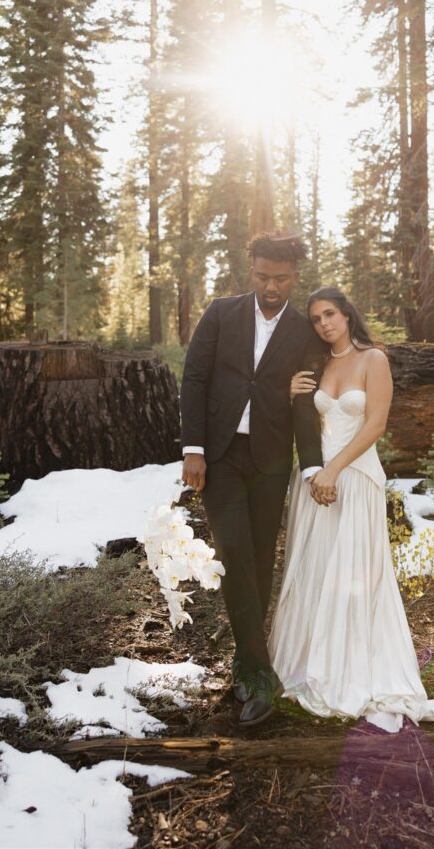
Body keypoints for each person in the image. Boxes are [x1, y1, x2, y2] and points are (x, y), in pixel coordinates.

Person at [269, 287, 434, 732]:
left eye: (330, 314)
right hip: (314, 480)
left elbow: (376, 424)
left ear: (347, 314)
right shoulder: (317, 364)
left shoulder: (373, 360)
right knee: (315, 569)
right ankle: (309, 665)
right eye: (315, 318)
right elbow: (303, 423)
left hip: (356, 476)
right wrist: (289, 397)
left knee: (355, 574)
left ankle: (357, 670)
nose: (323, 323)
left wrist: (335, 471)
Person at [180, 234, 328, 727]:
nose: (271, 286)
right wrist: (193, 449)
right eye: (263, 276)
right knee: (234, 554)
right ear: (252, 269)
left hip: (269, 459)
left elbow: (307, 398)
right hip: (219, 457)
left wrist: (311, 463)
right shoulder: (221, 314)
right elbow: (195, 378)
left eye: (281, 279)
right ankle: (262, 676)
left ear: (294, 277)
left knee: (262, 559)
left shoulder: (306, 331)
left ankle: (245, 663)